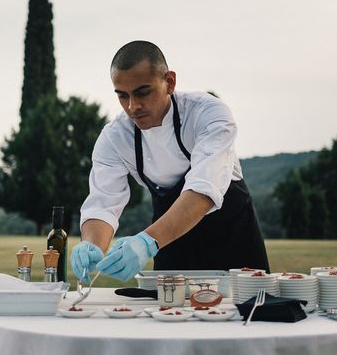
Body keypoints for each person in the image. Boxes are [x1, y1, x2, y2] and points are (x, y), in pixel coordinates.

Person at [71, 41, 269, 282]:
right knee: (166, 314)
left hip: (232, 235)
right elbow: (103, 204)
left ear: (170, 82)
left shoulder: (208, 114)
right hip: (170, 240)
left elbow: (203, 190)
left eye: (143, 92)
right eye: (123, 96)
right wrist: (92, 245)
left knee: (253, 312)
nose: (133, 107)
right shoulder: (114, 138)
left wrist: (146, 242)